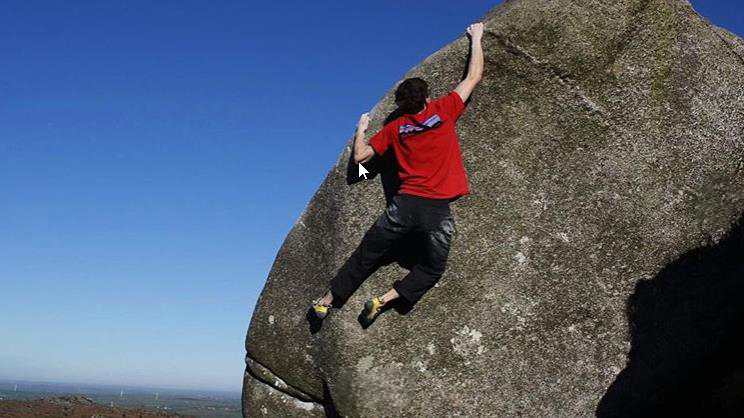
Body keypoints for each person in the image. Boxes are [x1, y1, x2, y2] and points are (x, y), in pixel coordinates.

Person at [312, 22, 485, 326]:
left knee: (366, 254)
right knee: (432, 267)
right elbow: (473, 76)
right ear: (426, 98)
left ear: (402, 106)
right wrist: (478, 38)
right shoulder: (443, 111)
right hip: (436, 209)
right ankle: (384, 299)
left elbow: (361, 159)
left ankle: (326, 302)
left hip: (403, 205)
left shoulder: (394, 129)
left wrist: (362, 130)